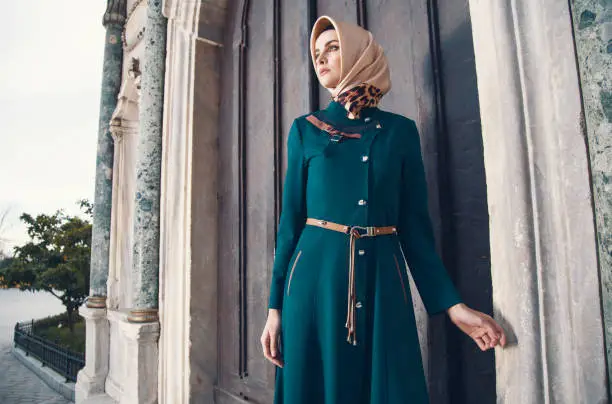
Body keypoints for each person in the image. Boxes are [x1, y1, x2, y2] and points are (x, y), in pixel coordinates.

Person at [260, 15, 507, 404]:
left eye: (333, 48)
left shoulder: (399, 131)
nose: (321, 59)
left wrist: (454, 306)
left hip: (382, 280)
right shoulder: (305, 129)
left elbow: (414, 228)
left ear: (361, 53)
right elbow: (289, 224)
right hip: (314, 283)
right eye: (316, 54)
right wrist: (275, 308)